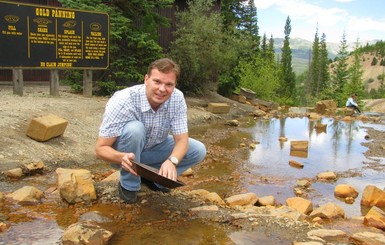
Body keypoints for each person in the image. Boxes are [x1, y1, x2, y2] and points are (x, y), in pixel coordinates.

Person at [95, 58, 206, 203]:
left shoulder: (177, 98)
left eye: (169, 84)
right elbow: (100, 149)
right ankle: (129, 185)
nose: (162, 89)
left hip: (153, 148)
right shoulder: (123, 100)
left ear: (174, 85)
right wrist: (120, 158)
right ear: (146, 79)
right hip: (124, 155)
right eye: (157, 82)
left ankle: (159, 180)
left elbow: (182, 141)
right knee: (135, 129)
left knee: (198, 150)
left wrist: (172, 161)